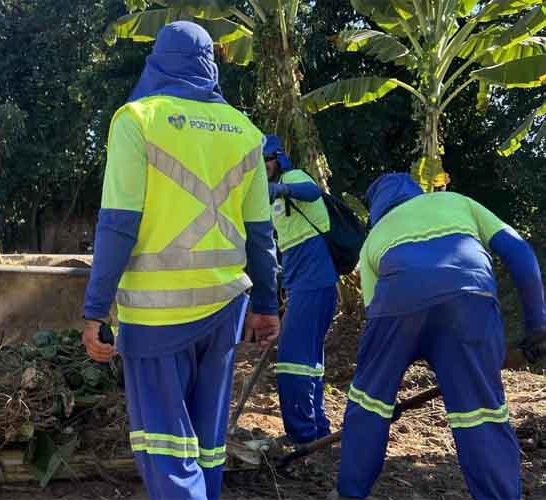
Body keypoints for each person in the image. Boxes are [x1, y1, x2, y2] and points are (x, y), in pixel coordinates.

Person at [80, 21, 281, 500]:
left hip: (156, 312)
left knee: (165, 445)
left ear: (158, 60)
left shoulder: (137, 119)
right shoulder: (246, 130)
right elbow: (260, 234)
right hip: (226, 308)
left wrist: (93, 311)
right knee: (208, 442)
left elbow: (118, 225)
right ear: (209, 64)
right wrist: (268, 305)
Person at [331, 173, 546, 500]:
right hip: (470, 299)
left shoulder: (375, 237)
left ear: (377, 209)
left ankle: (349, 492)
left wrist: (383, 386)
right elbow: (519, 252)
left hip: (396, 305)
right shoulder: (457, 201)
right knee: (480, 411)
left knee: (368, 402)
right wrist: (537, 325)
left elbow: (378, 314)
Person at [264, 135, 339, 444]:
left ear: (278, 159)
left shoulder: (293, 178)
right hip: (303, 284)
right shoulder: (270, 201)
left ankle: (301, 434)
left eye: (266, 160)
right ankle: (317, 430)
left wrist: (283, 188)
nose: (262, 168)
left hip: (314, 281)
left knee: (291, 360)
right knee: (308, 362)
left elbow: (312, 191)